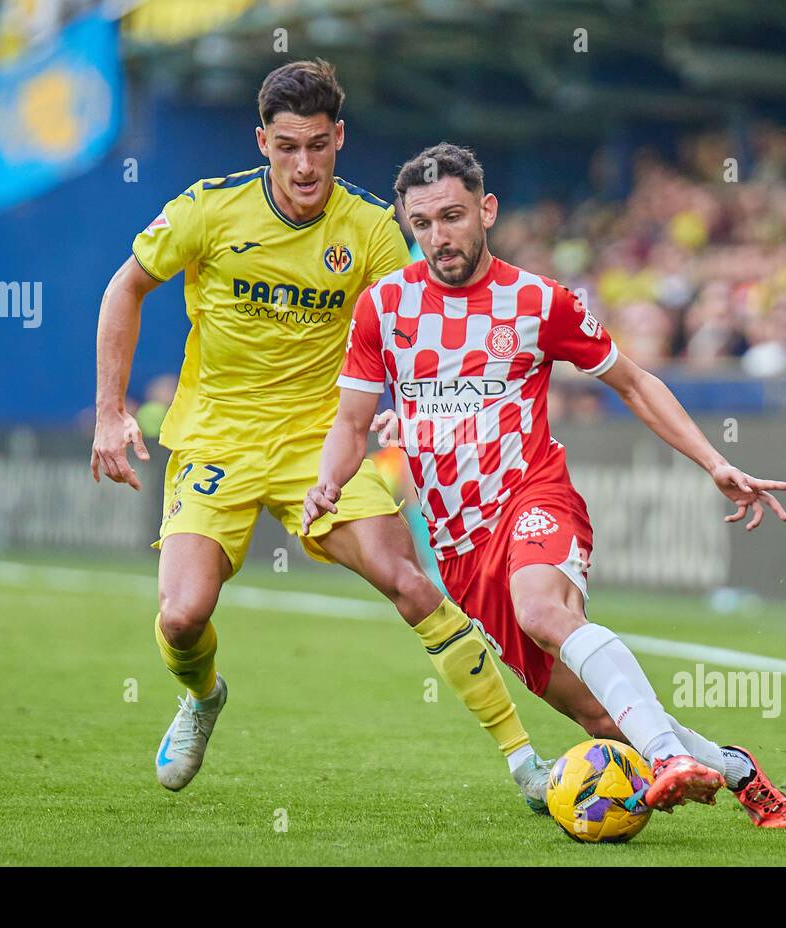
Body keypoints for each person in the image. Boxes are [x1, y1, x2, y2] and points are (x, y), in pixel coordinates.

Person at [304, 143, 786, 827]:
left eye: (451, 217)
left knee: (544, 611)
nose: (437, 237)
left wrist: (711, 460)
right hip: (459, 551)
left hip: (532, 499)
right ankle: (740, 772)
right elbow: (352, 422)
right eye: (420, 224)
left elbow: (632, 381)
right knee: (600, 717)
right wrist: (328, 480)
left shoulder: (540, 301)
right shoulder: (382, 309)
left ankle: (666, 758)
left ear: (486, 210)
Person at [92, 65, 550, 808]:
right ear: (262, 143)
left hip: (320, 441)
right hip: (218, 440)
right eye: (286, 147)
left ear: (339, 138)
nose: (303, 165)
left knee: (407, 582)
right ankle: (203, 696)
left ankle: (525, 762)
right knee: (181, 616)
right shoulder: (208, 210)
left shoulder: (370, 227)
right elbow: (126, 287)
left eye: (317, 145)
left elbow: (421, 314)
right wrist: (111, 410)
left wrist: (417, 396)